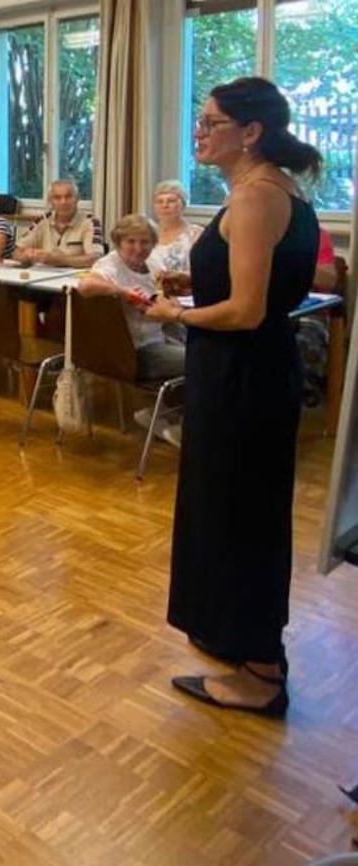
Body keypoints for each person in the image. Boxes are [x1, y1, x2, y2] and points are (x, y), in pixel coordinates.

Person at [144, 76, 323, 716]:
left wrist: (176, 310)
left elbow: (247, 312)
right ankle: (240, 643)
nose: (200, 132)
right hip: (248, 374)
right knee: (230, 511)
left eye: (211, 123)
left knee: (242, 520)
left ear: (251, 132)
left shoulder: (254, 199)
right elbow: (267, 288)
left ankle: (260, 675)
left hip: (244, 378)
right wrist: (201, 278)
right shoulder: (271, 191)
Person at [78, 215, 186, 446]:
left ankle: (168, 415)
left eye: (145, 242)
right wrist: (123, 292)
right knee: (201, 361)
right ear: (119, 242)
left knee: (213, 352)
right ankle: (164, 417)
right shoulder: (110, 264)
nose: (138, 248)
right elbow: (85, 286)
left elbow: (164, 296)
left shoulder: (154, 263)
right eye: (131, 241)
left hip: (159, 336)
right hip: (135, 352)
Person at [14, 179, 104, 268]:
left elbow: (96, 258)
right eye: (57, 198)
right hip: (42, 277)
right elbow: (16, 251)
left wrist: (59, 260)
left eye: (68, 197)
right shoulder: (43, 220)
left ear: (77, 199)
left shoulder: (90, 222)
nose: (63, 202)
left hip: (75, 279)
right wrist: (26, 256)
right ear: (50, 201)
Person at [148, 180, 204, 276]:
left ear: (183, 205)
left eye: (171, 201)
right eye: (159, 202)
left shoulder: (196, 234)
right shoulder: (147, 233)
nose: (165, 206)